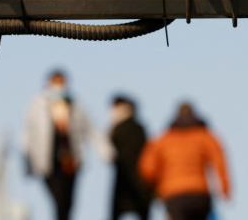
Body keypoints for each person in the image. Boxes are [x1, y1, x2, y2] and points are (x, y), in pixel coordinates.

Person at [23, 70, 110, 220]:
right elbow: (28, 133)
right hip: (47, 162)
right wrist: (28, 161)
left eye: (61, 83)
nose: (59, 87)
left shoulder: (75, 104)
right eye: (56, 83)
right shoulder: (38, 105)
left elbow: (90, 129)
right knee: (59, 199)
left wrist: (104, 150)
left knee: (68, 201)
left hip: (70, 162)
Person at [138, 102, 231, 220]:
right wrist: (225, 189)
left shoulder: (163, 140)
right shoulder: (206, 136)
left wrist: (155, 190)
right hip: (199, 194)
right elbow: (220, 162)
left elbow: (148, 169)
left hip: (173, 195)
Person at [109, 95, 152, 220]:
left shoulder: (120, 129)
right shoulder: (140, 128)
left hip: (127, 181)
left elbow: (109, 152)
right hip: (140, 182)